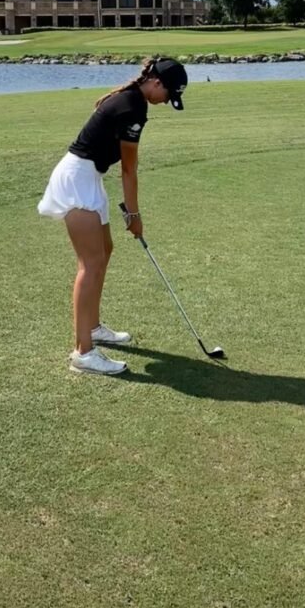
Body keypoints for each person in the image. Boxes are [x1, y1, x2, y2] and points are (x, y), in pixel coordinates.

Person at [38, 57, 189, 376]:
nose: (165, 102)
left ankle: (91, 328)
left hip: (87, 177)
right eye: (168, 95)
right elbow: (129, 169)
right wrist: (134, 214)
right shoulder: (132, 107)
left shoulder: (133, 99)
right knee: (89, 264)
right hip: (76, 179)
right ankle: (83, 353)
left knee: (104, 252)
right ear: (157, 83)